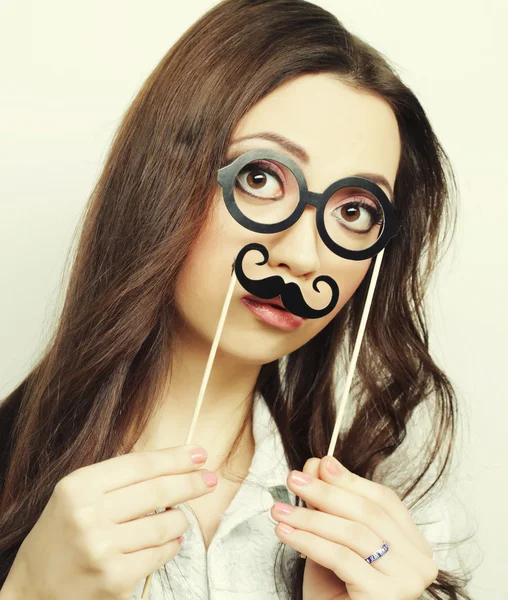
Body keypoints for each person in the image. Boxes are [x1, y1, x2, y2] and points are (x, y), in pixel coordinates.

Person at [0, 0, 473, 598]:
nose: (302, 256)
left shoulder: (404, 534)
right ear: (164, 177)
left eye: (354, 212)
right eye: (260, 178)